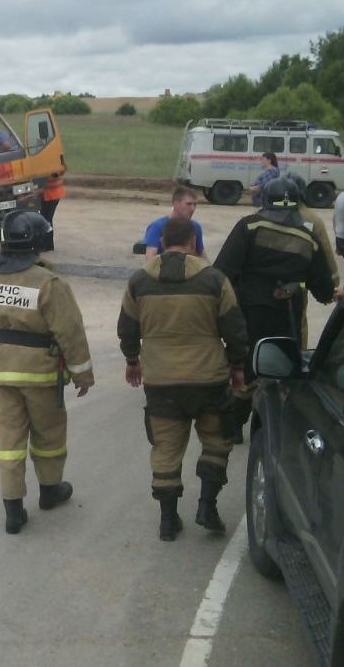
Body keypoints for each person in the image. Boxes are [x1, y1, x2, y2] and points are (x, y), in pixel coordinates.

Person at [118, 218, 248, 541]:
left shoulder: (139, 281)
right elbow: (234, 328)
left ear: (162, 242)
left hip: (162, 381)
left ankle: (168, 520)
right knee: (217, 442)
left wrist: (133, 361)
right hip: (209, 379)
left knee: (165, 449)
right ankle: (207, 505)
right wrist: (237, 367)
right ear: (192, 242)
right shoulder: (214, 279)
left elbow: (127, 328)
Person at [0, 210, 94, 534]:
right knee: (48, 435)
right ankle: (50, 490)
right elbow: (70, 331)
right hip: (40, 374)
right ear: (40, 243)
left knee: (8, 441)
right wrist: (82, 374)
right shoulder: (50, 284)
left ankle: (13, 509)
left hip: (1, 374)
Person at [214, 177, 336, 443]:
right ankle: (279, 433)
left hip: (248, 316)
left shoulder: (250, 226)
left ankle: (232, 428)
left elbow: (221, 271)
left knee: (244, 369)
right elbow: (324, 290)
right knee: (282, 373)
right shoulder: (308, 238)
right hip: (286, 319)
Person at [286, 173, 340, 347]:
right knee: (298, 323)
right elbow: (325, 253)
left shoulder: (262, 215)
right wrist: (332, 282)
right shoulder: (312, 219)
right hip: (299, 285)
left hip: (265, 283)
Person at [142, 186, 206, 258]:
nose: (192, 209)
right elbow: (150, 257)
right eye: (188, 204)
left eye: (195, 204)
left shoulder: (195, 227)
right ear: (175, 204)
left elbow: (202, 255)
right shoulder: (157, 226)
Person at [40, 170, 65, 249]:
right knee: (47, 219)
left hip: (51, 196)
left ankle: (47, 244)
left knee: (46, 219)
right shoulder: (54, 164)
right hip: (52, 195)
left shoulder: (50, 167)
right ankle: (48, 244)